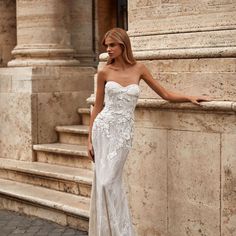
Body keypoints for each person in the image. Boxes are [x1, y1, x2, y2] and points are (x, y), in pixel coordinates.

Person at [87, 28, 209, 236]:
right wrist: (88, 140)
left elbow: (165, 94)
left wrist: (188, 97)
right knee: (105, 182)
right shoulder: (104, 73)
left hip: (123, 133)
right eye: (106, 45)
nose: (108, 49)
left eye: (112, 45)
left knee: (110, 181)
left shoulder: (139, 69)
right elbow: (97, 107)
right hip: (103, 129)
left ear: (123, 45)